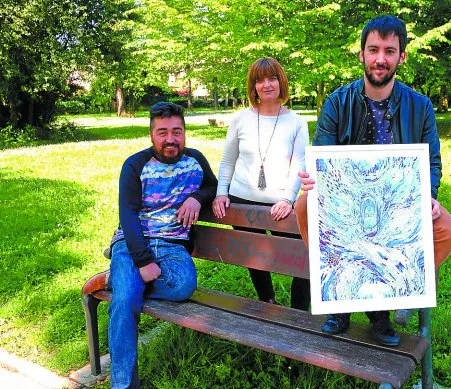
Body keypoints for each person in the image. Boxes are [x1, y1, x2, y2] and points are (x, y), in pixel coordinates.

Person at [294, 15, 451, 346]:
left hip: (399, 203)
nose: (380, 59)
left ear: (401, 56)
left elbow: (431, 162)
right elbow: (324, 156)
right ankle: (343, 297)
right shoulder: (338, 102)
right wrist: (314, 180)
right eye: (373, 50)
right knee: (304, 204)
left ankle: (386, 300)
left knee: (450, 231)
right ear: (362, 55)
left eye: (389, 50)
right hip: (347, 203)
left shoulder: (421, 106)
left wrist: (426, 195)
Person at [106, 102, 216, 388]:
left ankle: (119, 280)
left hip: (171, 243)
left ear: (184, 133)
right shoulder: (135, 165)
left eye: (177, 131)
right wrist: (142, 262)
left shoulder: (195, 160)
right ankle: (124, 385)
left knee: (183, 286)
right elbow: (127, 216)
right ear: (151, 135)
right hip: (133, 243)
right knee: (125, 301)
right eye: (162, 132)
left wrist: (197, 198)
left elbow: (213, 186)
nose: (170, 139)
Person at [212, 57, 310, 310]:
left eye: (272, 78)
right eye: (259, 80)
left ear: (281, 82)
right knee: (254, 256)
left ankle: (299, 312)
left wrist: (287, 199)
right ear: (253, 86)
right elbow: (227, 160)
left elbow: (300, 164)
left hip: (281, 204)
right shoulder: (240, 119)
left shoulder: (297, 122)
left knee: (303, 257)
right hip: (242, 199)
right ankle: (267, 302)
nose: (266, 85)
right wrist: (222, 193)